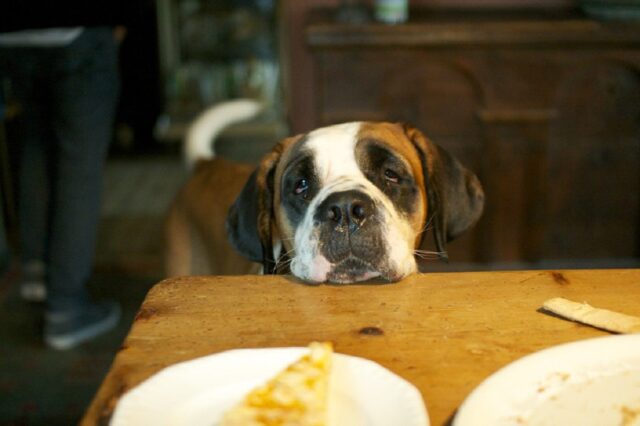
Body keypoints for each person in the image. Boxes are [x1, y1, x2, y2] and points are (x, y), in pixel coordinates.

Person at [0, 6, 128, 350]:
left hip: (12, 35)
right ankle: (66, 309)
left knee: (35, 150)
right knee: (79, 168)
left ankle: (38, 273)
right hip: (76, 29)